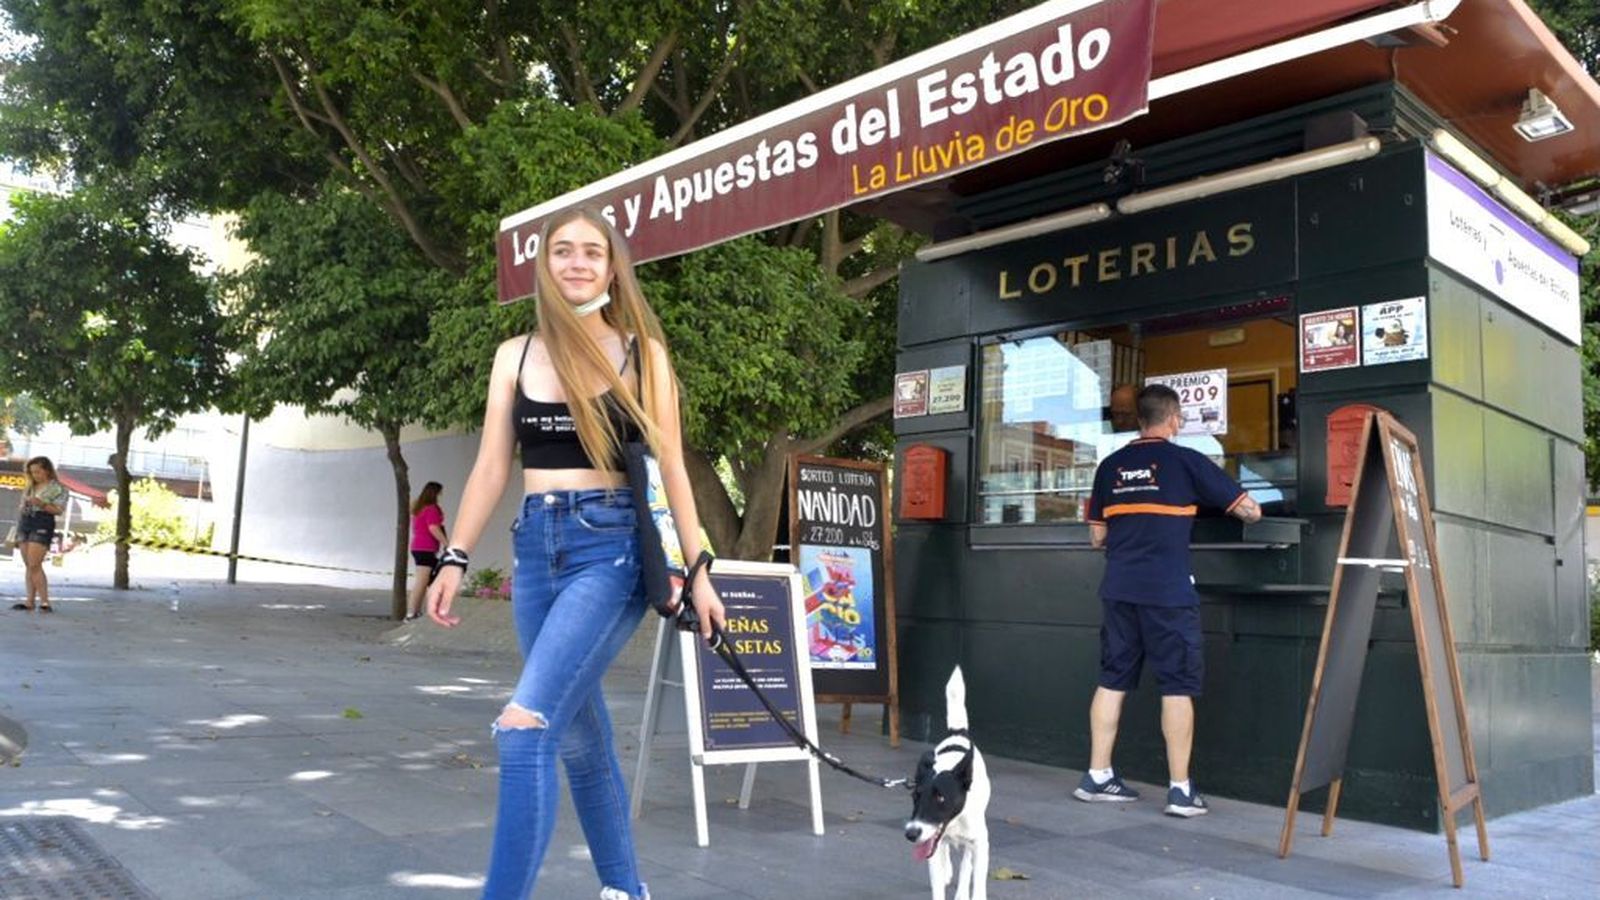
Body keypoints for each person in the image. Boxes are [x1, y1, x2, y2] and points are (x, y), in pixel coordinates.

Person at [425, 207, 725, 900]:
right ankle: (628, 890)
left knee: (524, 727)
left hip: (611, 546)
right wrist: (454, 557)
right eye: (563, 251)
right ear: (545, 265)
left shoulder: (642, 353)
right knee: (582, 742)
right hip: (537, 548)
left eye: (593, 251)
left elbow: (673, 466)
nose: (578, 262)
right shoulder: (515, 355)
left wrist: (699, 568)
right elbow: (491, 468)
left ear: (614, 267)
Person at [1076, 385, 1261, 817]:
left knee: (1112, 679)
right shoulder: (1186, 462)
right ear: (1174, 419)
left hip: (1119, 589)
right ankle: (1180, 791)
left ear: (1139, 419)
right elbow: (1249, 510)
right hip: (1168, 592)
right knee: (1176, 685)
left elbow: (1097, 535)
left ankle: (1097, 776)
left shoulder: (1111, 466)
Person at [12, 456, 67, 613]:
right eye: (32, 472)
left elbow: (58, 510)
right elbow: (23, 504)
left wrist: (41, 504)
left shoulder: (58, 488)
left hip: (42, 522)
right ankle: (29, 601)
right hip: (25, 522)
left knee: (35, 564)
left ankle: (45, 601)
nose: (35, 475)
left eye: (38, 471)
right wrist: (24, 505)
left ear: (47, 470)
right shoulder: (30, 486)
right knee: (29, 565)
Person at [405, 482, 448, 621]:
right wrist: (447, 544)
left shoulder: (419, 508)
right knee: (422, 581)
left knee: (431, 580)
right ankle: (411, 614)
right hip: (426, 548)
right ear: (435, 493)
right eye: (440, 492)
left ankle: (419, 611)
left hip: (419, 547)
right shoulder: (432, 509)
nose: (441, 495)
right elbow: (433, 528)